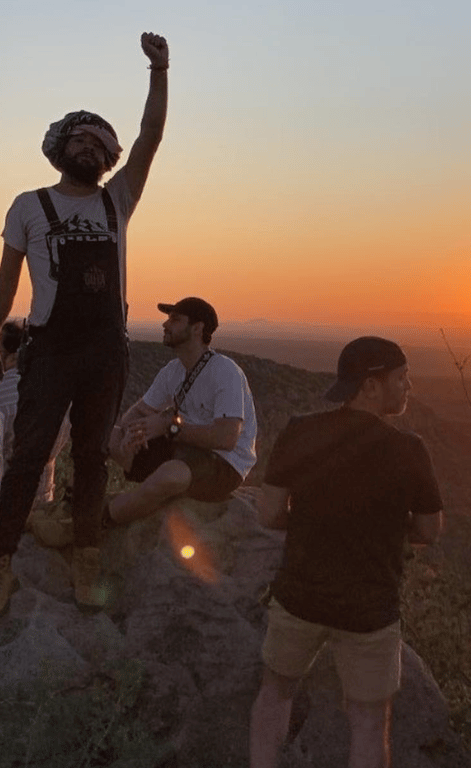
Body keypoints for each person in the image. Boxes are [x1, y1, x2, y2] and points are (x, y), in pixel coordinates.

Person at [0, 32, 169, 613]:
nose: (91, 149)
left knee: (93, 455)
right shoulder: (28, 205)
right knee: (29, 453)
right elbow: (6, 282)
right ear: (60, 148)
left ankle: (86, 553)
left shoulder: (117, 200)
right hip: (46, 348)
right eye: (81, 138)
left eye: (101, 144)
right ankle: (1, 559)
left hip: (105, 348)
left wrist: (159, 73)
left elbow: (150, 139)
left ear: (109, 160)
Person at [250, 336, 443, 768]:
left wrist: (311, 522)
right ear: (371, 385)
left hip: (299, 595)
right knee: (369, 722)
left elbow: (268, 512)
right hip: (369, 609)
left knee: (275, 693)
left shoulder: (300, 431)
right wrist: (386, 529)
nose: (408, 387)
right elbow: (429, 530)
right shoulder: (407, 449)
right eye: (401, 378)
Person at [105, 297, 258, 527]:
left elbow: (226, 438)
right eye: (168, 319)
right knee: (106, 436)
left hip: (223, 464)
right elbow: (139, 412)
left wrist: (169, 426)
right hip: (182, 452)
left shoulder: (225, 371)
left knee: (171, 474)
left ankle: (99, 520)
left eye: (175, 320)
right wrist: (130, 433)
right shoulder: (173, 371)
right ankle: (78, 496)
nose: (165, 325)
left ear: (197, 328)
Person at [0, 321, 69, 510]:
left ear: (3, 354)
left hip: (8, 504)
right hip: (43, 500)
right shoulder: (57, 394)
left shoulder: (3, 398)